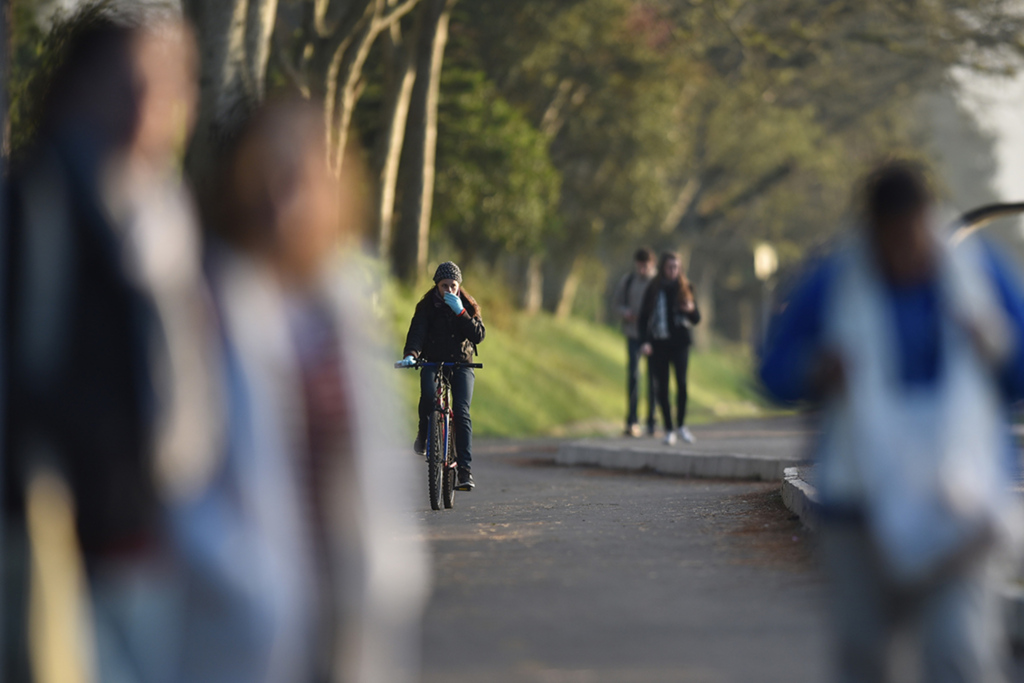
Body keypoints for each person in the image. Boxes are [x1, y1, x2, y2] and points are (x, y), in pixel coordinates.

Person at [176, 99, 428, 683]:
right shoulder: (202, 300)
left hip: (344, 606)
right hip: (238, 614)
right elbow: (175, 474)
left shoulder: (343, 306)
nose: (283, 199)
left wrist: (391, 570)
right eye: (265, 176)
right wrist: (243, 580)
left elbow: (375, 470)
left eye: (301, 179)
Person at [760, 160, 1024, 683]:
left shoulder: (977, 271)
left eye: (914, 238)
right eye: (891, 242)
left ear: (929, 222)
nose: (904, 255)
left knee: (958, 655)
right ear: (872, 231)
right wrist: (816, 369)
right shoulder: (835, 278)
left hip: (956, 501)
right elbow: (773, 373)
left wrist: (993, 345)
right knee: (867, 657)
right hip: (860, 503)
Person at [399, 262, 485, 491]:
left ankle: (464, 471)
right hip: (433, 361)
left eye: (453, 286)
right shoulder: (426, 306)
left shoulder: (467, 305)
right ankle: (424, 432)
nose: (449, 290)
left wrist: (462, 313)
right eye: (444, 285)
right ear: (436, 285)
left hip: (462, 364)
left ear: (459, 286)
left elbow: (478, 336)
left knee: (462, 412)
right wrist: (411, 354)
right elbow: (417, 332)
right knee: (428, 395)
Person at [637, 252, 701, 445]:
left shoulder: (686, 287)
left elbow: (696, 319)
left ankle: (681, 425)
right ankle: (668, 429)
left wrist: (690, 310)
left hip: (680, 343)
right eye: (669, 267)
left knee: (681, 384)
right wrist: (645, 341)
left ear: (680, 269)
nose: (673, 270)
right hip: (659, 343)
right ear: (663, 268)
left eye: (676, 267)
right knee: (661, 388)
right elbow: (643, 318)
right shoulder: (654, 288)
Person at [612, 248, 656, 437]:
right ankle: (632, 421)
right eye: (639, 266)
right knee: (633, 376)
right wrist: (625, 312)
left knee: (654, 380)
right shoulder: (628, 281)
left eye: (645, 266)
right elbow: (617, 303)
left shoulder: (658, 283)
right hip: (633, 334)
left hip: (653, 336)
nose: (642, 269)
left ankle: (652, 422)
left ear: (651, 264)